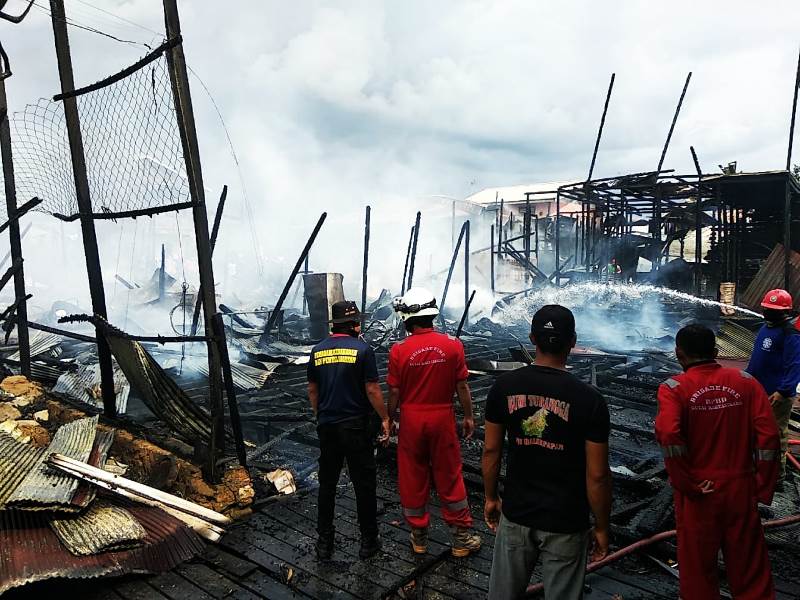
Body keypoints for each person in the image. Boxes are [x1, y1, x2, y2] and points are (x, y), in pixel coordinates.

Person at [483, 305, 611, 600]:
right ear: (573, 341)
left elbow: (491, 450)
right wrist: (602, 526)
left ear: (532, 339)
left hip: (517, 513)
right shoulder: (589, 400)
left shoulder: (504, 387)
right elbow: (598, 475)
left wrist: (491, 497)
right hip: (566, 520)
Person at [656, 324, 780, 600]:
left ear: (679, 354)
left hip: (699, 491)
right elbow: (769, 437)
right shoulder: (747, 383)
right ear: (715, 351)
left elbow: (668, 434)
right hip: (740, 487)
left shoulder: (674, 389)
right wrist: (761, 485)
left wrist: (686, 483)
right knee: (750, 570)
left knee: (698, 572)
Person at [387, 287, 481, 557]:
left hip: (412, 419)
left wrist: (389, 419)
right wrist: (469, 416)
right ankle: (461, 539)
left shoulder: (399, 350)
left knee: (413, 475)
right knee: (450, 475)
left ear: (407, 318)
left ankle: (419, 538)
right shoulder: (453, 345)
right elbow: (462, 386)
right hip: (442, 418)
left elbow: (394, 392)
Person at [307, 300, 390, 560]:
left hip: (328, 426)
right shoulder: (363, 350)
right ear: (354, 325)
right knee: (363, 485)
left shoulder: (317, 351)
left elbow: (312, 389)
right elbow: (373, 389)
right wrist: (385, 417)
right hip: (355, 426)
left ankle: (324, 543)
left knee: (327, 485)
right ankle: (368, 542)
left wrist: (319, 414)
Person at [746, 288, 800, 486]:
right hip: (758, 390)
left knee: (775, 435)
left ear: (784, 312)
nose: (768, 312)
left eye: (772, 310)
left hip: (777, 394)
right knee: (755, 432)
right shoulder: (765, 327)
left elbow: (795, 365)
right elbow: (757, 359)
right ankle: (757, 469)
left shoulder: (790, 334)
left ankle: (776, 476)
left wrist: (783, 391)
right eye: (767, 308)